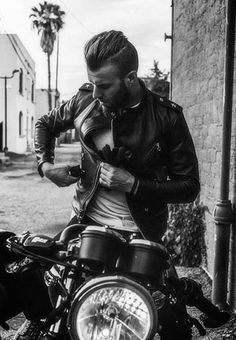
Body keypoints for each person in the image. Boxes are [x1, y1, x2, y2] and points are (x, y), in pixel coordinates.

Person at [0, 30, 200, 340]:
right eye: (92, 83)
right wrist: (46, 166)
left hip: (143, 236)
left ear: (131, 78)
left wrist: (134, 184)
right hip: (85, 227)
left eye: (104, 85)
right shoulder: (85, 99)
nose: (95, 93)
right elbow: (45, 124)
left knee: (164, 320)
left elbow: (189, 187)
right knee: (54, 305)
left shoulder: (166, 118)